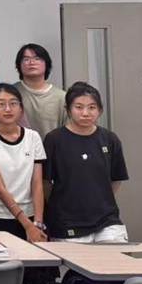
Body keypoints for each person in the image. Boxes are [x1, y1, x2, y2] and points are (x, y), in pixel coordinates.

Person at [43, 82, 129, 243]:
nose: (85, 113)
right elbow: (45, 182)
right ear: (68, 110)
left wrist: (99, 199)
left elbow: (116, 179)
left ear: (100, 110)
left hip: (107, 220)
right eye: (79, 107)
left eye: (92, 107)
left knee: (116, 257)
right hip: (67, 222)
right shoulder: (54, 139)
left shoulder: (110, 139)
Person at [0, 84, 47, 242]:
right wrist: (27, 225)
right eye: (1, 104)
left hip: (31, 214)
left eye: (13, 103)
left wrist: (37, 223)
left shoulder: (33, 137)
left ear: (21, 108)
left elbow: (37, 183)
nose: (8, 109)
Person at [15, 43, 67, 138]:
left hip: (51, 147)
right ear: (19, 65)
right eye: (26, 59)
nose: (32, 62)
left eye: (37, 58)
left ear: (47, 64)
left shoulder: (61, 97)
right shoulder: (11, 93)